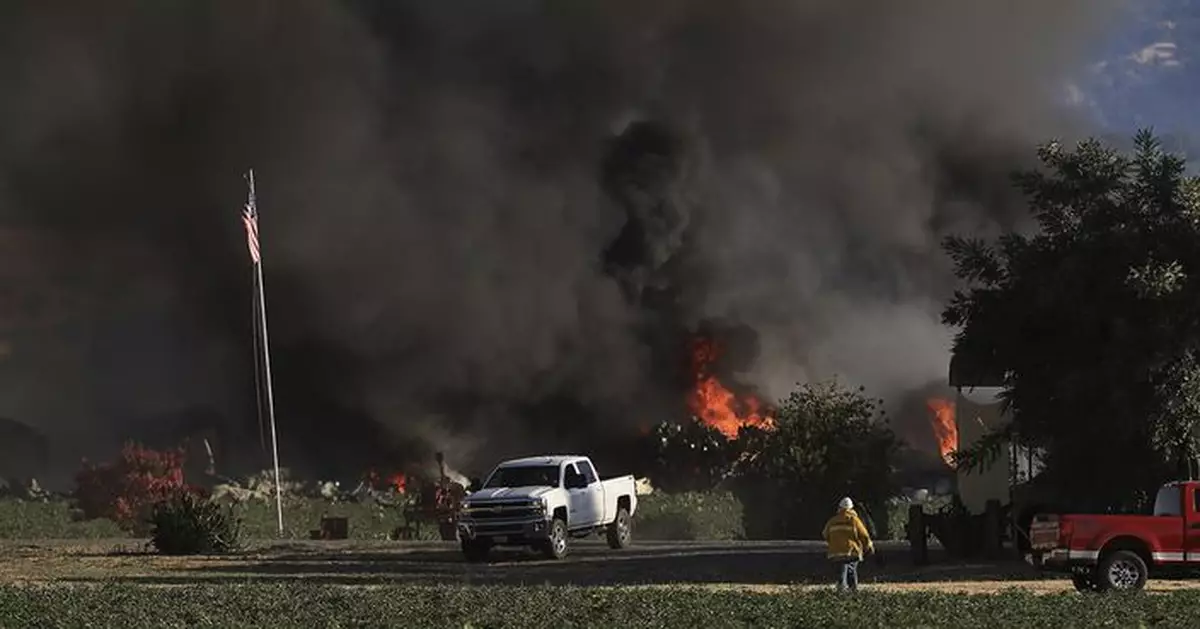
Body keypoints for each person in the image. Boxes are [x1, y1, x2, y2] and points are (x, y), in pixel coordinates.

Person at [822, 496, 875, 592]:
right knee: (851, 570)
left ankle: (841, 588)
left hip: (836, 552)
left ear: (839, 508)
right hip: (852, 552)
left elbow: (825, 534)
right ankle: (853, 590)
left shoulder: (832, 521)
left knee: (841, 570)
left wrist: (834, 543)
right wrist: (869, 546)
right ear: (851, 508)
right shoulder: (854, 520)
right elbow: (864, 535)